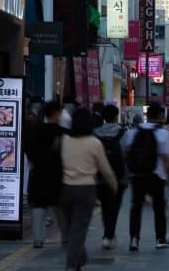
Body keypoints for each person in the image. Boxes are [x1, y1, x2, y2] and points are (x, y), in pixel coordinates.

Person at [60, 108, 117, 271]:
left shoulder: (64, 140)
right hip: (85, 190)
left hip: (65, 189)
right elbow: (105, 169)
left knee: (72, 228)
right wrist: (113, 185)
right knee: (78, 229)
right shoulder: (94, 143)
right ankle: (71, 265)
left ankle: (80, 259)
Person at [123, 102, 169, 251]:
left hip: (137, 175)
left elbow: (126, 152)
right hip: (156, 175)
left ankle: (134, 239)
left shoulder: (133, 132)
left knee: (136, 207)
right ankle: (160, 238)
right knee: (159, 208)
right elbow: (165, 157)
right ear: (160, 116)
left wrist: (130, 171)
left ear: (147, 115)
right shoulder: (163, 133)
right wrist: (164, 176)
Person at [26, 101, 65, 248]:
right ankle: (65, 237)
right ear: (55, 113)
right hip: (57, 175)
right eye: (60, 112)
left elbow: (28, 150)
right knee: (60, 206)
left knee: (38, 205)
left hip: (38, 173)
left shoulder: (36, 130)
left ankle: (38, 239)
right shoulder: (62, 133)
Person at [95, 104, 126, 250]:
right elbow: (126, 154)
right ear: (116, 116)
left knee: (105, 206)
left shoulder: (95, 133)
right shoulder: (123, 133)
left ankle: (108, 234)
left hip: (100, 176)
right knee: (114, 206)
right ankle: (109, 235)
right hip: (119, 176)